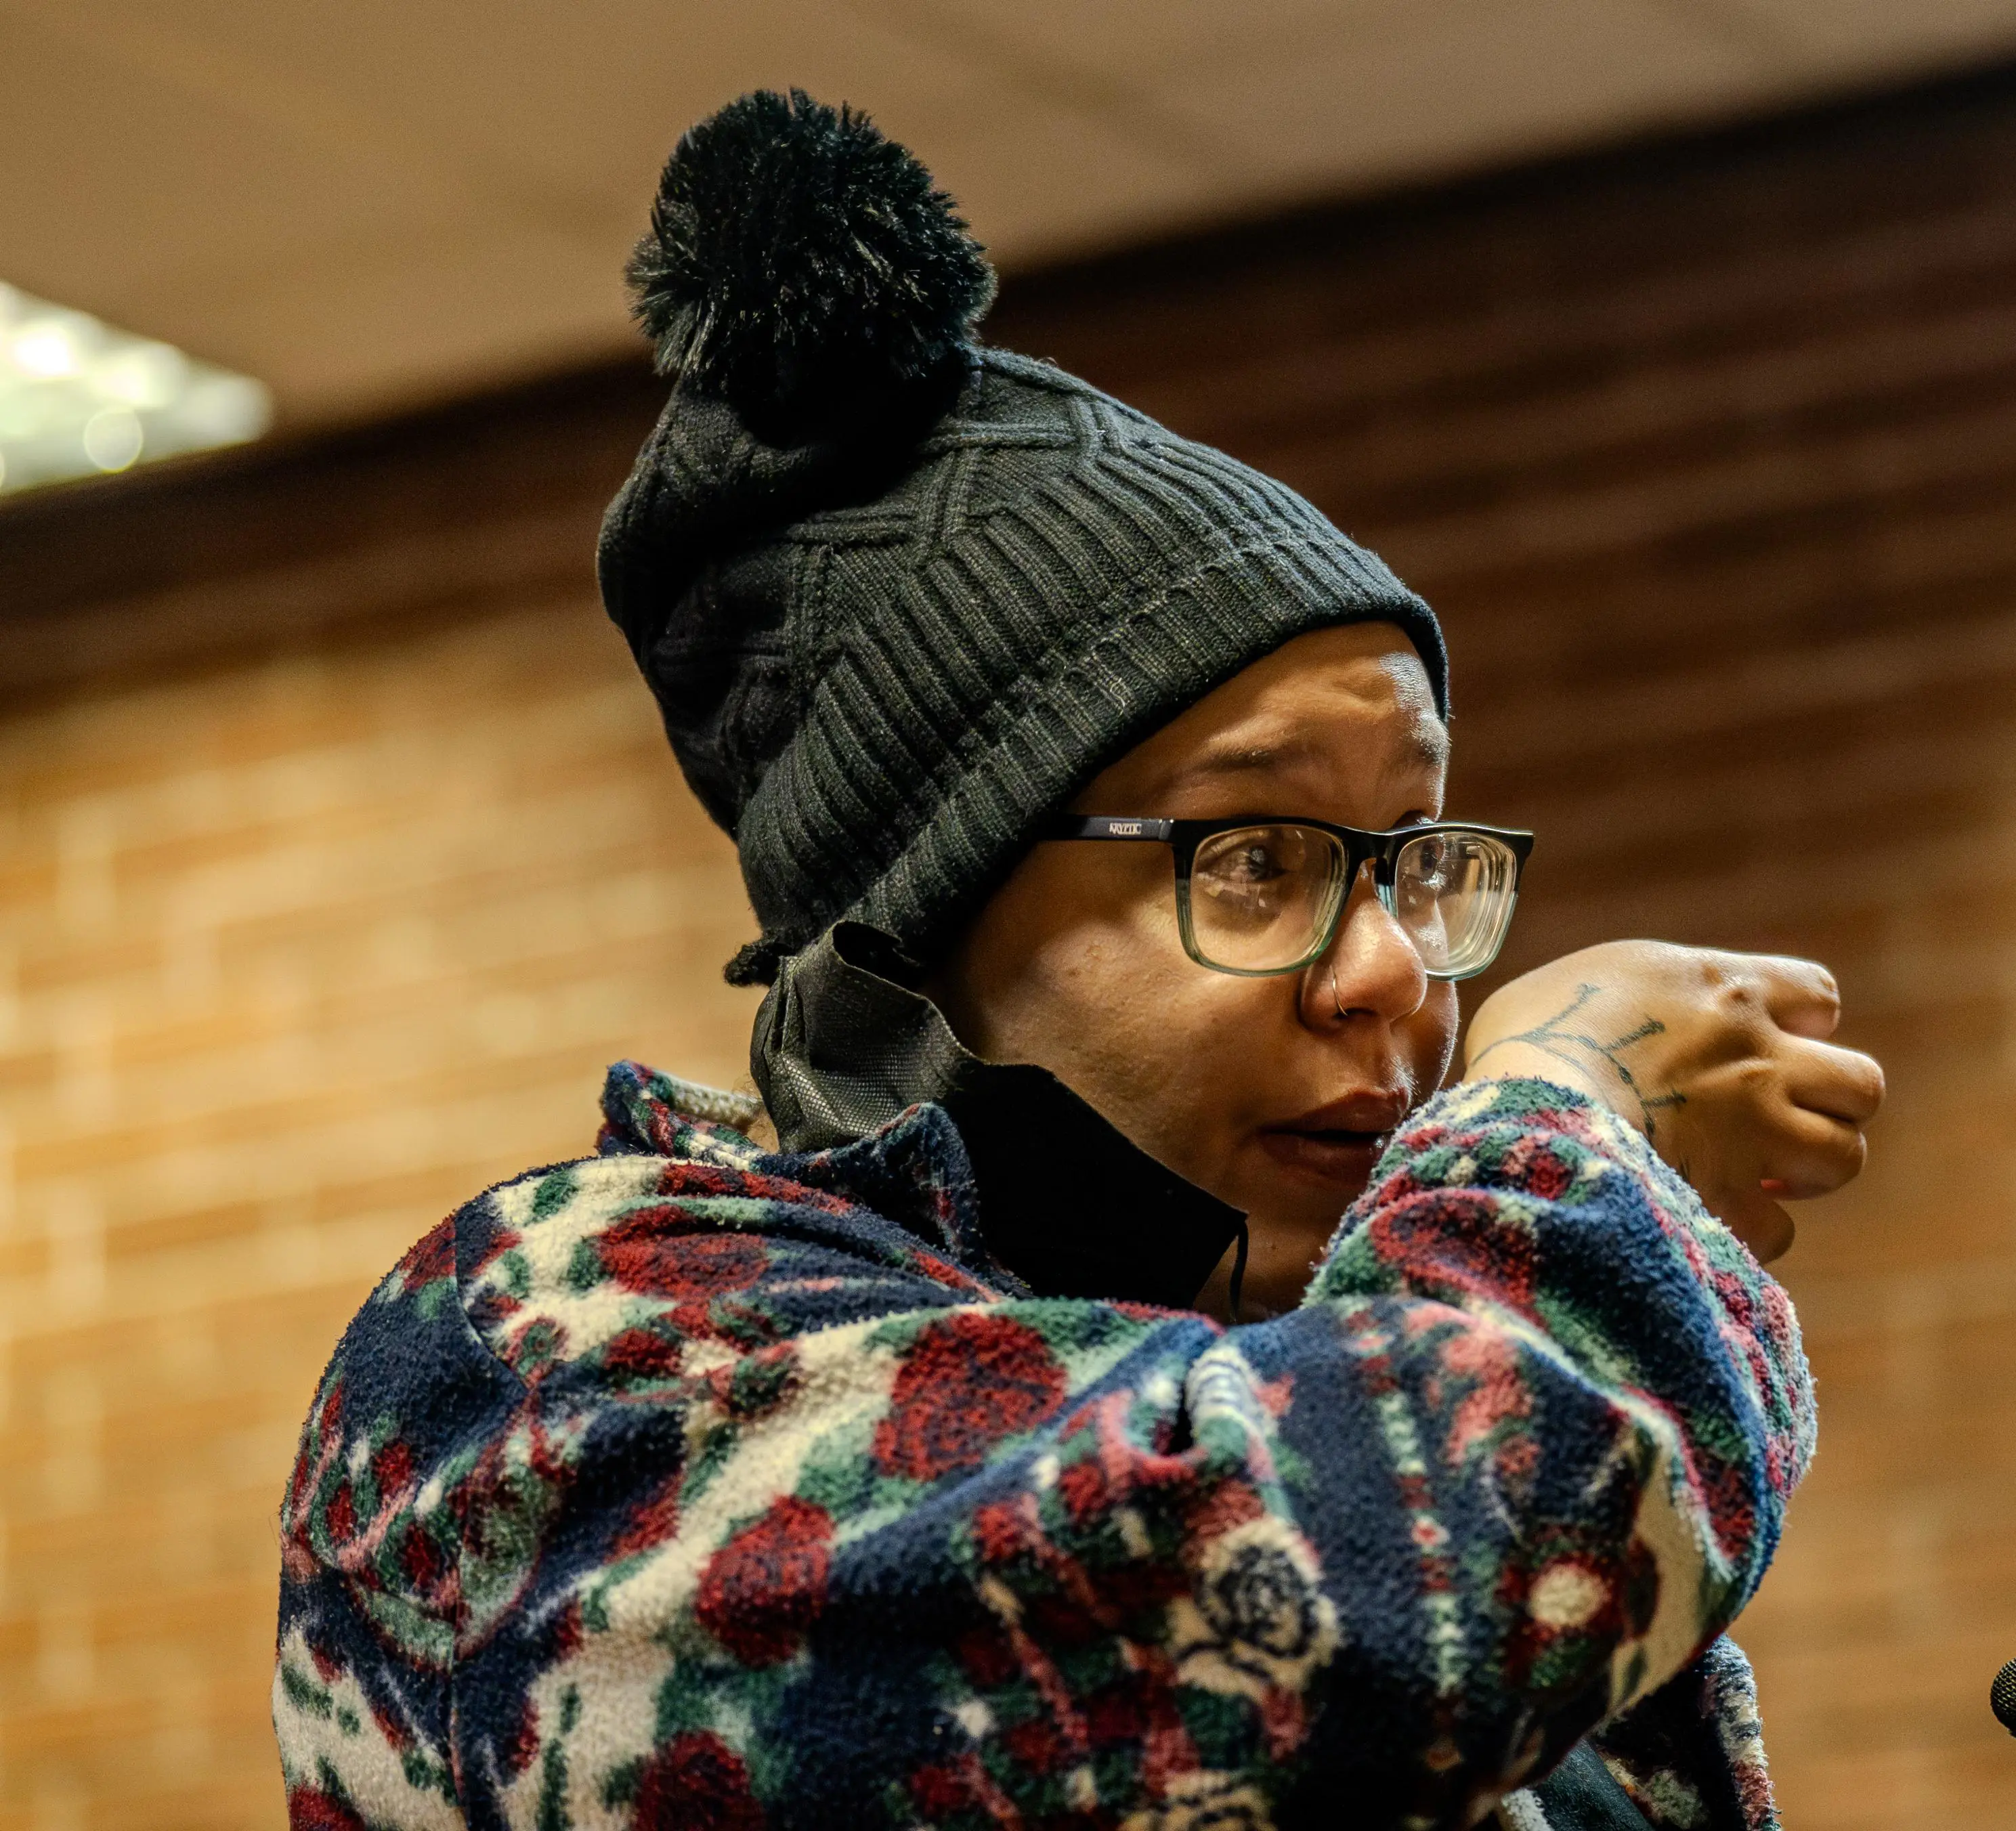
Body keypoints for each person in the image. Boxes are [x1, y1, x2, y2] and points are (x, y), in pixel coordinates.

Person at [271, 91, 1883, 1831]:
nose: (1399, 976)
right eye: (1254, 857)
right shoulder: (554, 1364)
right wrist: (1568, 1108)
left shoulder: (1293, 1350)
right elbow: (1378, 1599)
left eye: (1411, 863)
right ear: (922, 916)